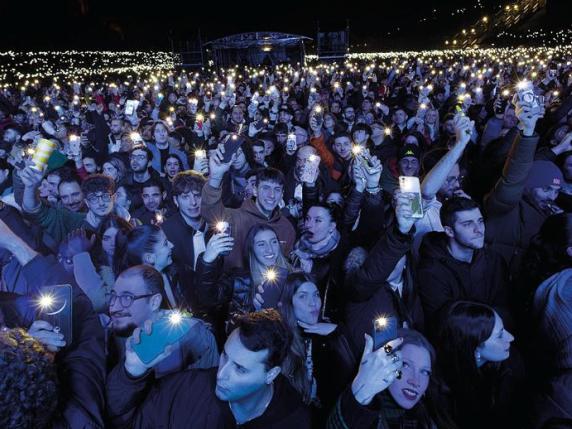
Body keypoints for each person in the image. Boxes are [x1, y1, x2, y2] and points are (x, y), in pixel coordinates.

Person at [106, 309, 311, 428]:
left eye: (240, 369)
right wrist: (132, 372)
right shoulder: (184, 389)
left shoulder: (295, 420)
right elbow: (127, 423)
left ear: (271, 374)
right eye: (224, 356)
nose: (221, 374)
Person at [106, 264, 218, 377]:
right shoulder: (109, 338)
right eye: (113, 296)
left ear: (154, 302)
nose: (114, 307)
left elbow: (205, 387)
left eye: (127, 298)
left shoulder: (193, 336)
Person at [328, 329, 453, 429]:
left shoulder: (430, 419)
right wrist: (360, 395)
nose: (415, 381)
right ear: (385, 363)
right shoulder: (369, 415)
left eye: (424, 372)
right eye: (405, 365)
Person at [417, 197, 510, 331]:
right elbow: (442, 325)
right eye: (467, 224)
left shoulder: (495, 260)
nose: (479, 230)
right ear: (449, 231)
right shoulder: (431, 270)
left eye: (480, 221)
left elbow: (505, 309)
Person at [278, 272, 356, 426]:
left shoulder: (331, 334)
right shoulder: (281, 339)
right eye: (303, 296)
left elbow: (351, 380)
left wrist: (337, 333)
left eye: (316, 295)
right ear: (289, 303)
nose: (313, 303)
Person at [202, 148, 295, 271]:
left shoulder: (286, 227)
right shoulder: (233, 218)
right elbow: (209, 211)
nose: (271, 195)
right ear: (255, 190)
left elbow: (284, 267)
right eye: (266, 188)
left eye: (277, 190)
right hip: (235, 287)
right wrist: (216, 177)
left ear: (282, 193)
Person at [434, 301, 522, 429]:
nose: (511, 337)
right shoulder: (439, 390)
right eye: (500, 335)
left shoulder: (511, 366)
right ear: (474, 348)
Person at [21, 171, 117, 246]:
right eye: (65, 197)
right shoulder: (65, 218)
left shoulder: (120, 220)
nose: (71, 201)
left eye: (75, 194)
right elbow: (34, 211)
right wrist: (30, 187)